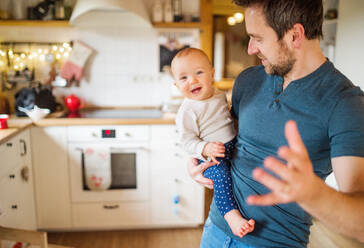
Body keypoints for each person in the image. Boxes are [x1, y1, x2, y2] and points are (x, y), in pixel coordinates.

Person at [187, 0, 364, 247]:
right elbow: (228, 144)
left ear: (295, 35)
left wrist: (314, 195)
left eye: (257, 38)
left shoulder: (346, 103)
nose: (250, 49)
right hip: (216, 229)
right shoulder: (247, 80)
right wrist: (201, 160)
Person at [171, 48, 255, 238]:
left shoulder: (218, 95)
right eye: (184, 78)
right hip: (210, 156)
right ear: (176, 85)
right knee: (221, 177)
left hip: (232, 145)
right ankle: (231, 216)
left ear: (212, 74)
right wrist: (204, 148)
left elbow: (226, 118)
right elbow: (186, 140)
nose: (192, 80)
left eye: (199, 73)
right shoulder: (187, 111)